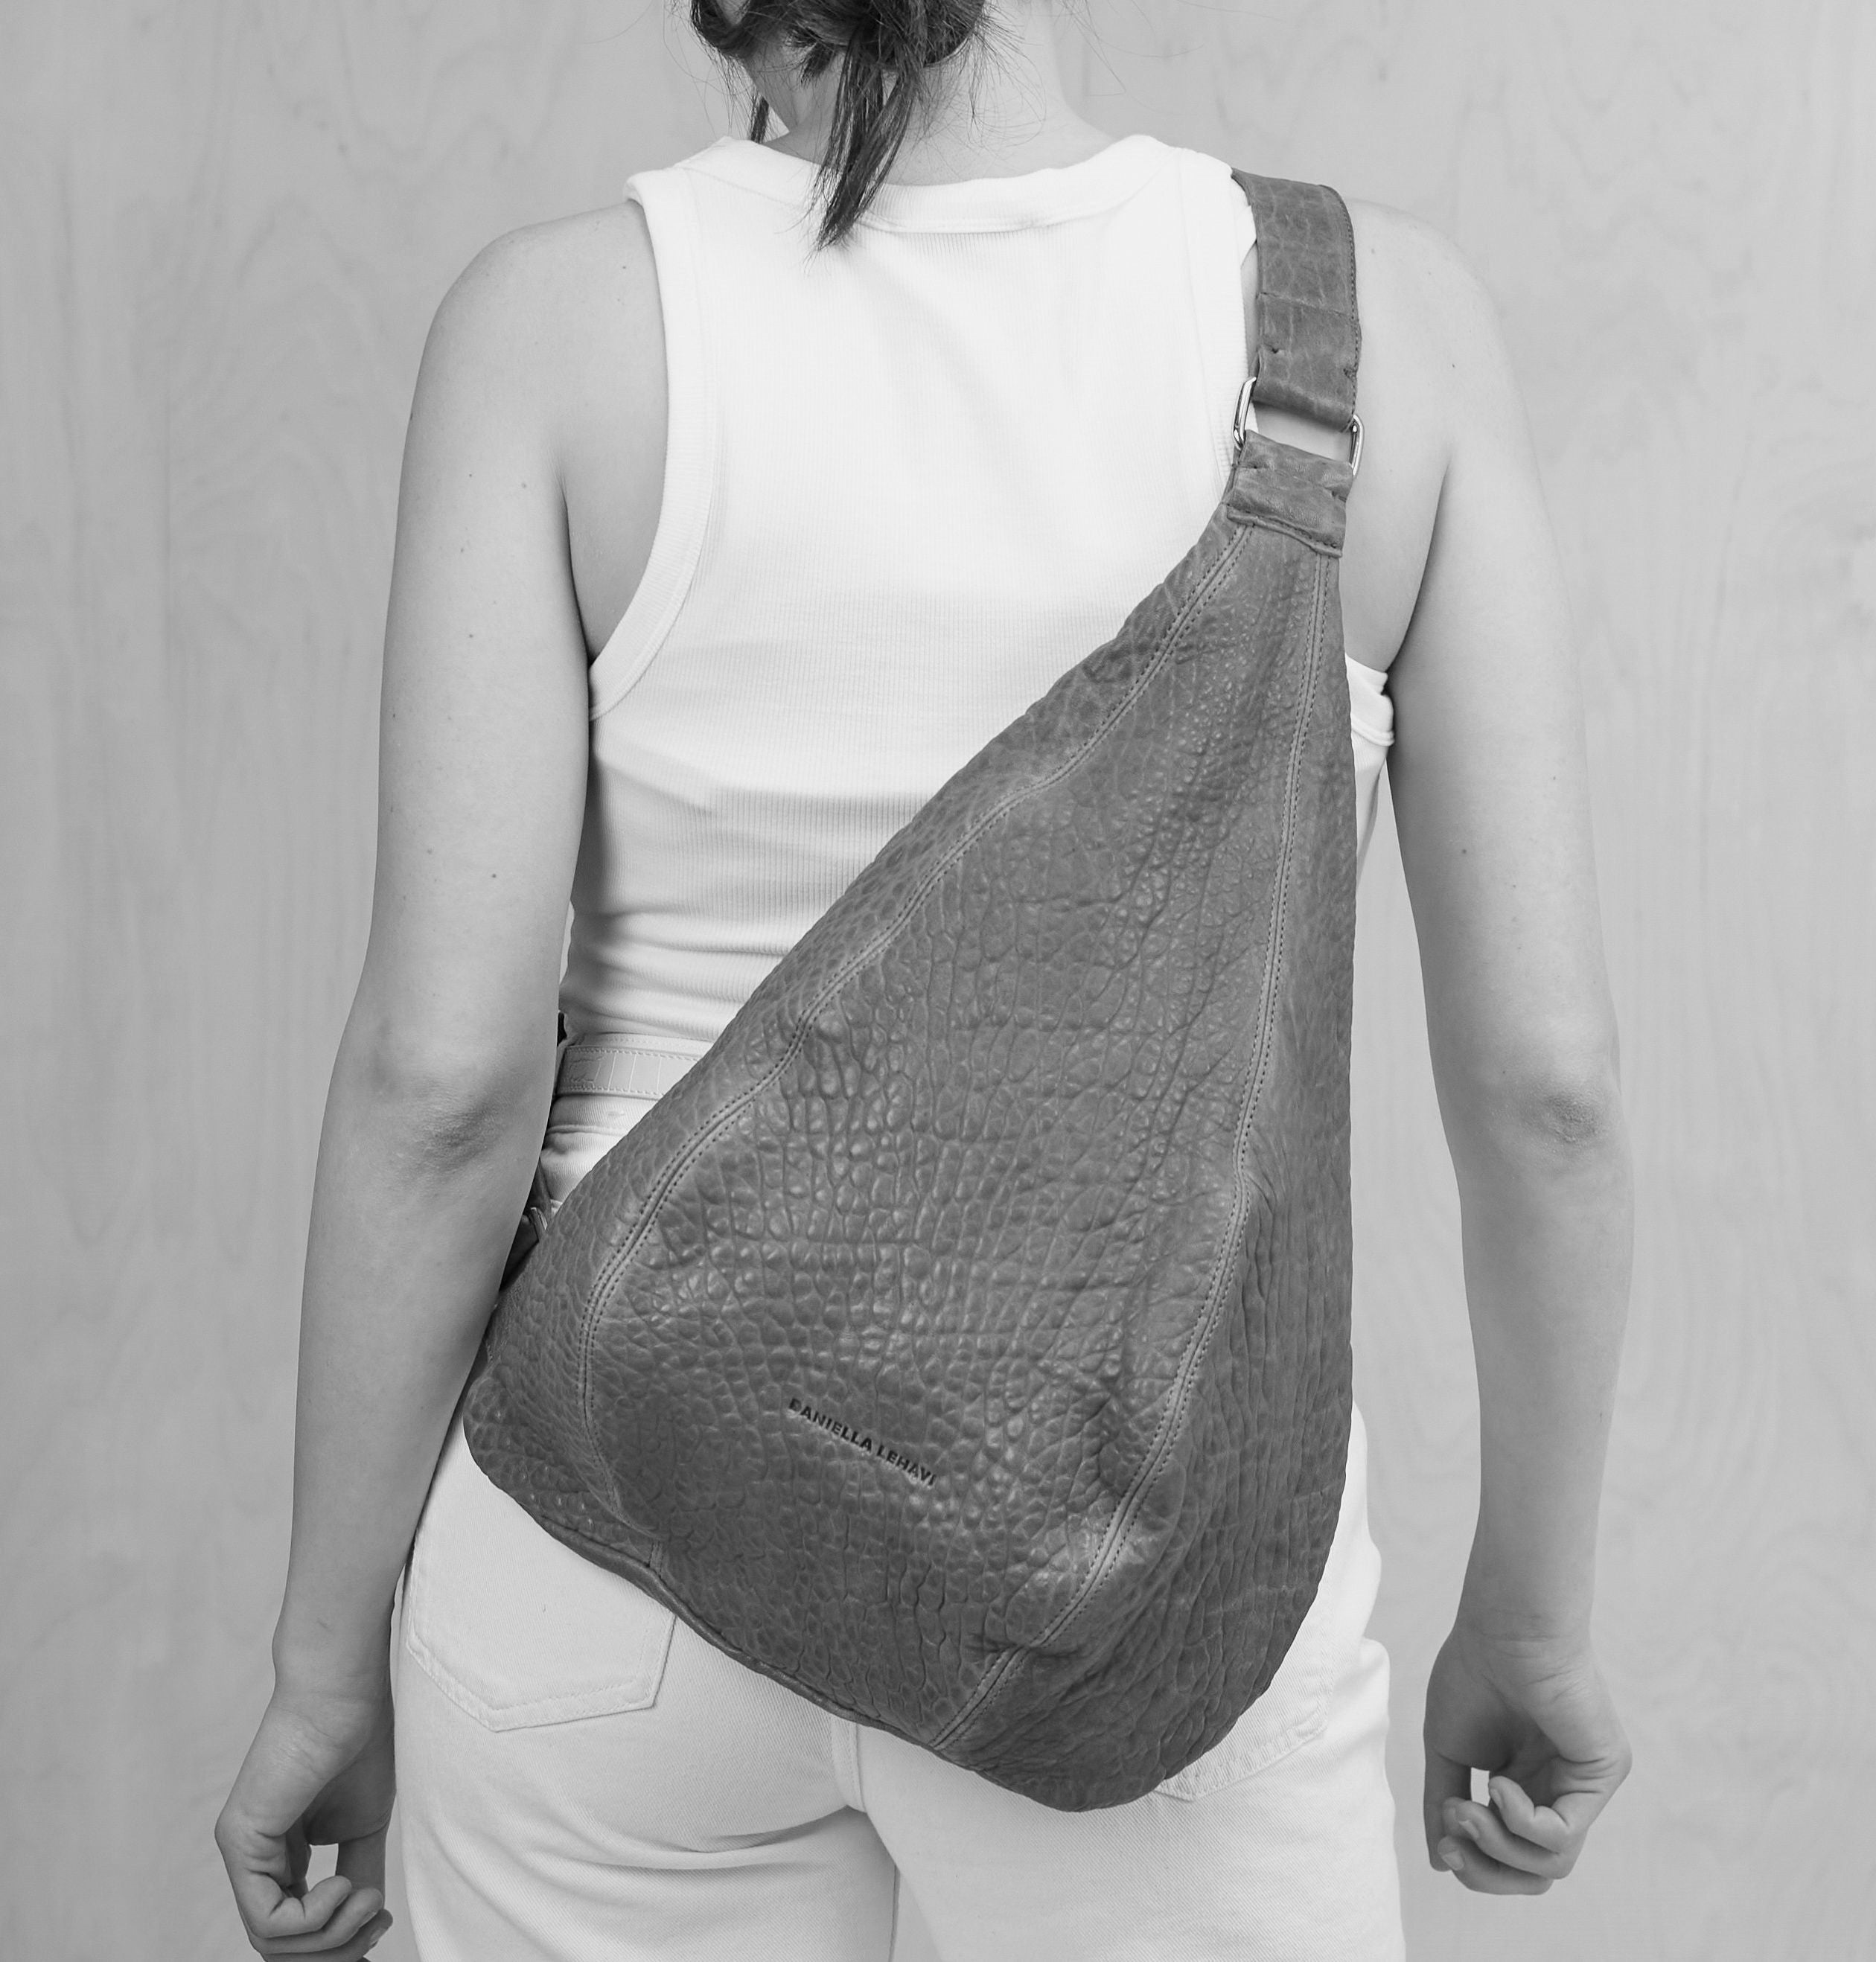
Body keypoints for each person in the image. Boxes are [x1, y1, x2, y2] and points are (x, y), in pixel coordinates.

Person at [215, 1, 1635, 1955]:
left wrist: (323, 1662)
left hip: (611, 1534)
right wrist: (1532, 1622)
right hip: (1143, 1579)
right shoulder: (1383, 326)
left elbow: (444, 1086)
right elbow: (1549, 1097)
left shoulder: (557, 330)